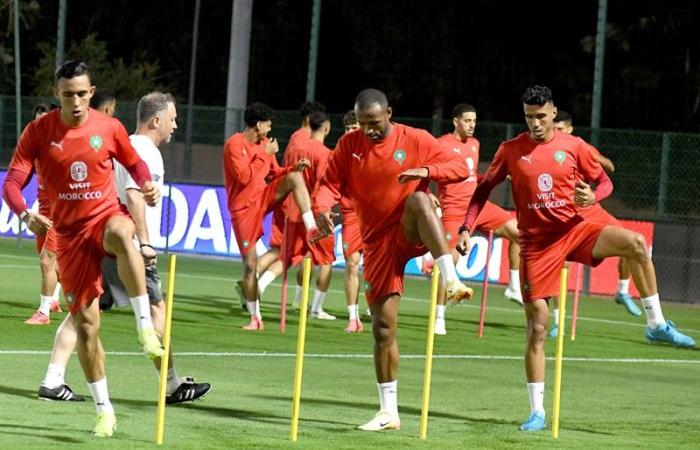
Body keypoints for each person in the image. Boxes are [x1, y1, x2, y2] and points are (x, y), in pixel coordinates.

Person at [456, 85, 695, 433]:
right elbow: (482, 190)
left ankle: (656, 324)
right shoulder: (510, 150)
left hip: (577, 227)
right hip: (537, 244)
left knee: (637, 244)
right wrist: (466, 226)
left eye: (541, 116)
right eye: (529, 116)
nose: (535, 123)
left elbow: (605, 184)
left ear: (554, 113)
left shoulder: (574, 146)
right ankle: (537, 412)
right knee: (537, 327)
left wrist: (591, 195)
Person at [2, 60, 162, 437]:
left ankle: (144, 329)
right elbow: (12, 183)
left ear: (91, 93)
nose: (75, 101)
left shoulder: (109, 128)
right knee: (88, 327)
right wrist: (25, 214)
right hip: (69, 238)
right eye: (68, 94)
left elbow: (134, 164)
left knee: (126, 232)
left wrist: (147, 185)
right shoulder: (39, 132)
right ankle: (104, 409)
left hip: (102, 220)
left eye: (82, 93)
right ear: (57, 94)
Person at [314, 88, 473, 431]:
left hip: (409, 230)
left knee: (418, 202)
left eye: (374, 122)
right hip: (377, 244)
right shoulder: (348, 146)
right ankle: (389, 412)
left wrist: (427, 172)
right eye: (361, 123)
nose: (368, 130)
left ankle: (450, 278)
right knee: (383, 329)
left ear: (389, 113)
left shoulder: (414, 138)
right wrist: (321, 208)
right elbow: (328, 183)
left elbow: (459, 167)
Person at [38, 92, 211, 406]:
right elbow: (134, 196)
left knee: (82, 311)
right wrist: (144, 243)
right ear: (156, 120)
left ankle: (53, 378)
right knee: (156, 310)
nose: (175, 125)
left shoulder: (120, 143)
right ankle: (171, 384)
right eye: (172, 119)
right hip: (126, 247)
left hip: (101, 242)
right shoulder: (147, 152)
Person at [223, 102, 319, 331]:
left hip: (263, 197)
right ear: (258, 125)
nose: (270, 128)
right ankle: (255, 318)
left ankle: (311, 226)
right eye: (268, 124)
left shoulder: (265, 143)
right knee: (249, 266)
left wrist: (295, 166)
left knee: (295, 177)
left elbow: (274, 172)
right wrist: (263, 155)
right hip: (243, 208)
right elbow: (244, 177)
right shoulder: (234, 145)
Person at [431, 103, 523, 336]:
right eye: (467, 121)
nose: (472, 125)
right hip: (453, 210)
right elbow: (424, 170)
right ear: (455, 121)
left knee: (520, 234)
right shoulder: (440, 144)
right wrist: (429, 194)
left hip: (478, 206)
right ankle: (439, 317)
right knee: (448, 263)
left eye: (474, 121)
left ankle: (513, 287)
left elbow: (471, 177)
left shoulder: (474, 144)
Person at [548, 110, 640, 338]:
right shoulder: (548, 149)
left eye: (561, 129)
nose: (557, 132)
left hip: (592, 209)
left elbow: (610, 168)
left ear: (569, 129)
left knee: (631, 242)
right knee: (563, 268)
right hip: (568, 215)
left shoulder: (582, 147)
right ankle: (557, 322)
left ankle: (622, 291)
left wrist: (593, 157)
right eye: (555, 129)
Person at [284, 110, 337, 319]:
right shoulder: (324, 153)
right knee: (325, 261)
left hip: (295, 208)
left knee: (305, 257)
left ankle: (298, 301)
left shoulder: (296, 146)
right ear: (326, 127)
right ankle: (316, 308)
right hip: (317, 211)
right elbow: (325, 183)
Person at [24, 103, 63, 325]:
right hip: (44, 210)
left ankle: (43, 313)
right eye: (37, 120)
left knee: (46, 260)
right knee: (52, 262)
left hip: (62, 211)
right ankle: (55, 300)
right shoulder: (36, 147)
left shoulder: (63, 147)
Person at [339, 110, 366, 332]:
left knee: (378, 267)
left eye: (354, 128)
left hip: (375, 215)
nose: (350, 133)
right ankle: (353, 317)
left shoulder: (374, 148)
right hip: (350, 214)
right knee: (351, 264)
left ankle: (376, 309)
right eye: (347, 129)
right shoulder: (342, 151)